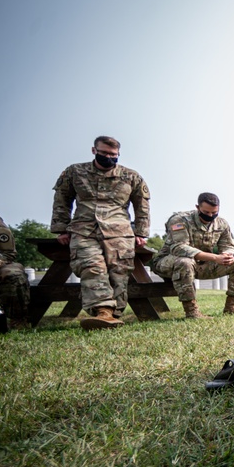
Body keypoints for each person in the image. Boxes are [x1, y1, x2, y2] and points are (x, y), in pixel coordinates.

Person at [51, 135, 150, 330]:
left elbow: (142, 206)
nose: (109, 157)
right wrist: (61, 228)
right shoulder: (74, 172)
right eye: (104, 153)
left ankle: (114, 313)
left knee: (119, 272)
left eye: (113, 154)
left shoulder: (131, 176)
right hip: (83, 229)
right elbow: (61, 200)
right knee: (92, 267)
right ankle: (103, 311)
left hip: (120, 231)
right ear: (94, 150)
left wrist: (141, 232)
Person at [150, 192, 234, 318]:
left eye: (214, 213)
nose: (210, 216)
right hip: (168, 262)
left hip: (200, 265)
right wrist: (215, 258)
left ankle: (231, 306)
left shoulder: (221, 224)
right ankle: (191, 311)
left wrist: (229, 255)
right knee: (185, 262)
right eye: (206, 213)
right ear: (197, 207)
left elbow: (228, 245)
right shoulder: (179, 220)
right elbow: (179, 248)